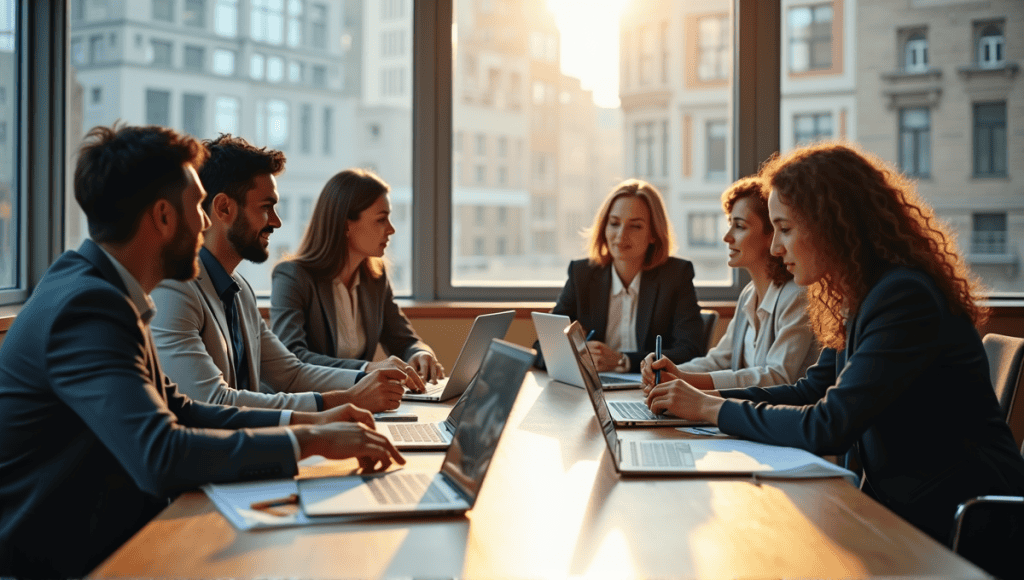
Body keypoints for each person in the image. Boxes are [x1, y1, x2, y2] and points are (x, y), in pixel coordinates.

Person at [0, 125, 403, 579]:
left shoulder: (103, 290)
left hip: (106, 542)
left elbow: (184, 411)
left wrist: (315, 423)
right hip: (64, 563)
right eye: (197, 204)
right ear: (163, 217)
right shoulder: (88, 307)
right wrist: (309, 440)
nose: (207, 221)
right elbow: (161, 456)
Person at [643, 142, 1024, 544]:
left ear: (833, 223)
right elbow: (810, 389)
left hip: (964, 523)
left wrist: (709, 407)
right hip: (904, 508)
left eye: (785, 229)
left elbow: (831, 424)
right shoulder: (860, 295)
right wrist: (693, 398)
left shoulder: (903, 297)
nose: (775, 247)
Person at [152, 136, 424, 414]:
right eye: (265, 207)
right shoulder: (175, 290)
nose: (276, 221)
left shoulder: (239, 290)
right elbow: (214, 402)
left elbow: (291, 374)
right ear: (224, 208)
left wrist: (368, 377)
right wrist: (347, 399)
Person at [638, 177, 819, 390]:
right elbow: (719, 361)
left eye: (740, 226)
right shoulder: (749, 295)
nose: (727, 237)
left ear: (771, 234)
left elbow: (778, 377)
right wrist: (668, 371)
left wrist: (684, 379)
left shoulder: (797, 296)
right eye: (730, 224)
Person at [271, 168, 444, 383]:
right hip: (308, 406)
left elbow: (404, 340)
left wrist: (420, 353)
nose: (391, 229)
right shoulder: (292, 277)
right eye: (381, 219)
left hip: (358, 402)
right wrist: (367, 368)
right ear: (346, 225)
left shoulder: (375, 279)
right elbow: (292, 356)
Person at [535, 178, 703, 373]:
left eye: (635, 226)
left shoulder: (675, 275)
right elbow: (542, 349)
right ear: (604, 228)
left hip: (652, 392)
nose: (621, 235)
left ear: (653, 234)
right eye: (614, 223)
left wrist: (623, 360)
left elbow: (692, 351)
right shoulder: (582, 275)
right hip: (594, 391)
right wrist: (575, 354)